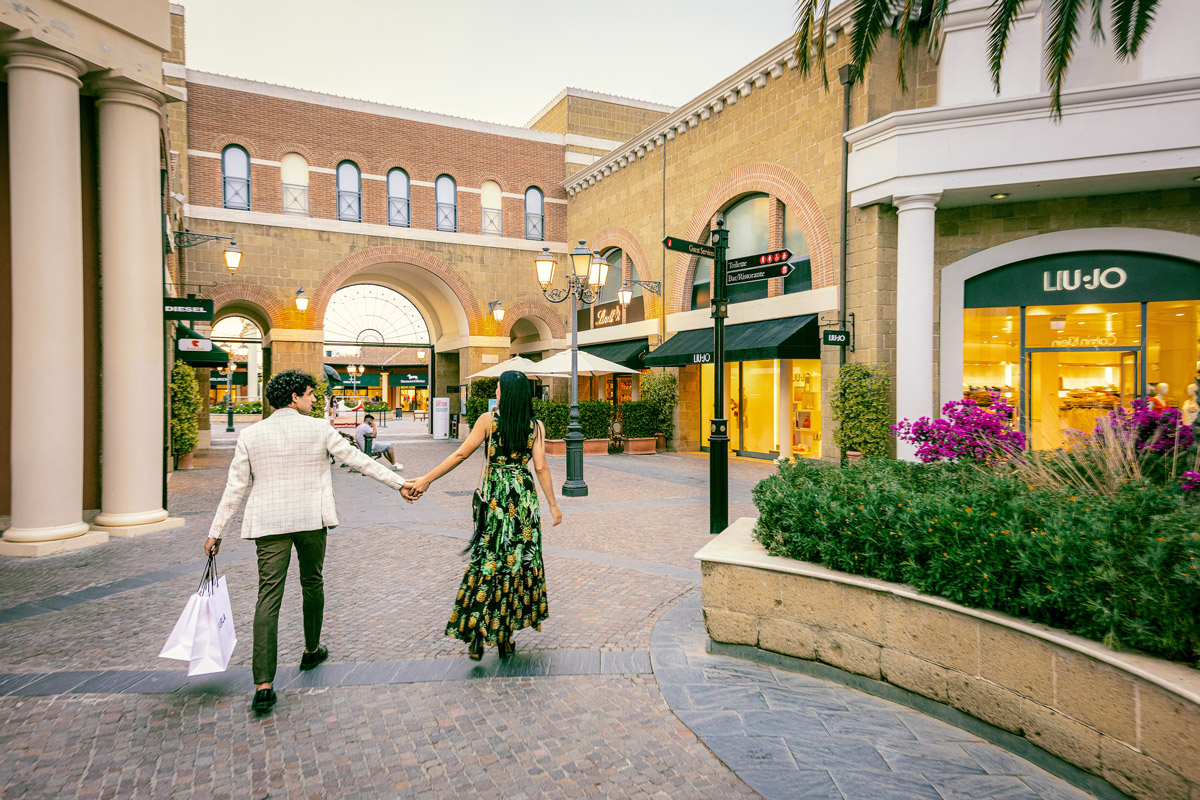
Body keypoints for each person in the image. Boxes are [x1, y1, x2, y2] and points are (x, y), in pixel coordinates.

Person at [204, 370, 418, 713]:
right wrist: (399, 483)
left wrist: (216, 531)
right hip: (310, 520)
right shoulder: (318, 428)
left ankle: (263, 683)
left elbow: (236, 487)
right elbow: (359, 461)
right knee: (312, 581)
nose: (314, 399)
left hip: (268, 523)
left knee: (267, 595)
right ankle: (311, 649)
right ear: (294, 397)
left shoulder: (251, 434)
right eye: (309, 394)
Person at [409, 370, 562, 660]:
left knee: (488, 561)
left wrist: (427, 479)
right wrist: (553, 504)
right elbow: (540, 467)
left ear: (506, 392)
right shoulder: (536, 426)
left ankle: (478, 632)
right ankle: (504, 636)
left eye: (498, 387)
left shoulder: (488, 421)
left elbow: (460, 455)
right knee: (517, 564)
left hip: (496, 502)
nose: (497, 391)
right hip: (524, 502)